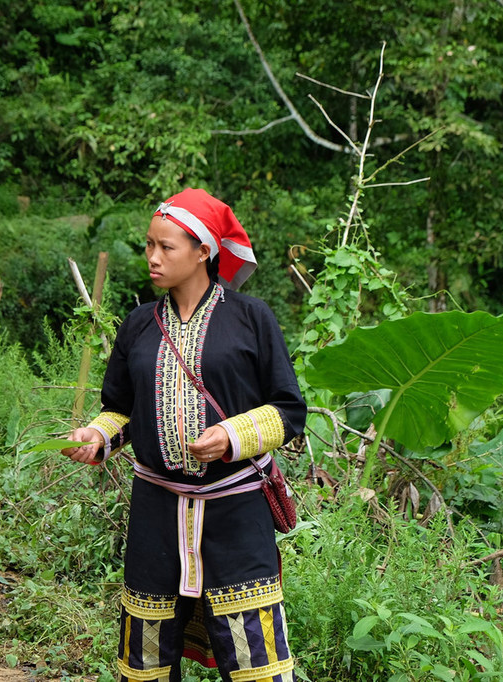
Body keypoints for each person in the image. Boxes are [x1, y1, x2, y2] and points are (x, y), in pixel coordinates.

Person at [62, 188, 306, 681]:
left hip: (236, 511)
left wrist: (232, 436)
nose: (152, 257)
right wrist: (97, 436)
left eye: (166, 247)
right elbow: (121, 410)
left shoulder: (251, 319)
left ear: (203, 252)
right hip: (156, 513)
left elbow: (288, 411)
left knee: (255, 655)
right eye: (149, 245)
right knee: (148, 651)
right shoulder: (138, 326)